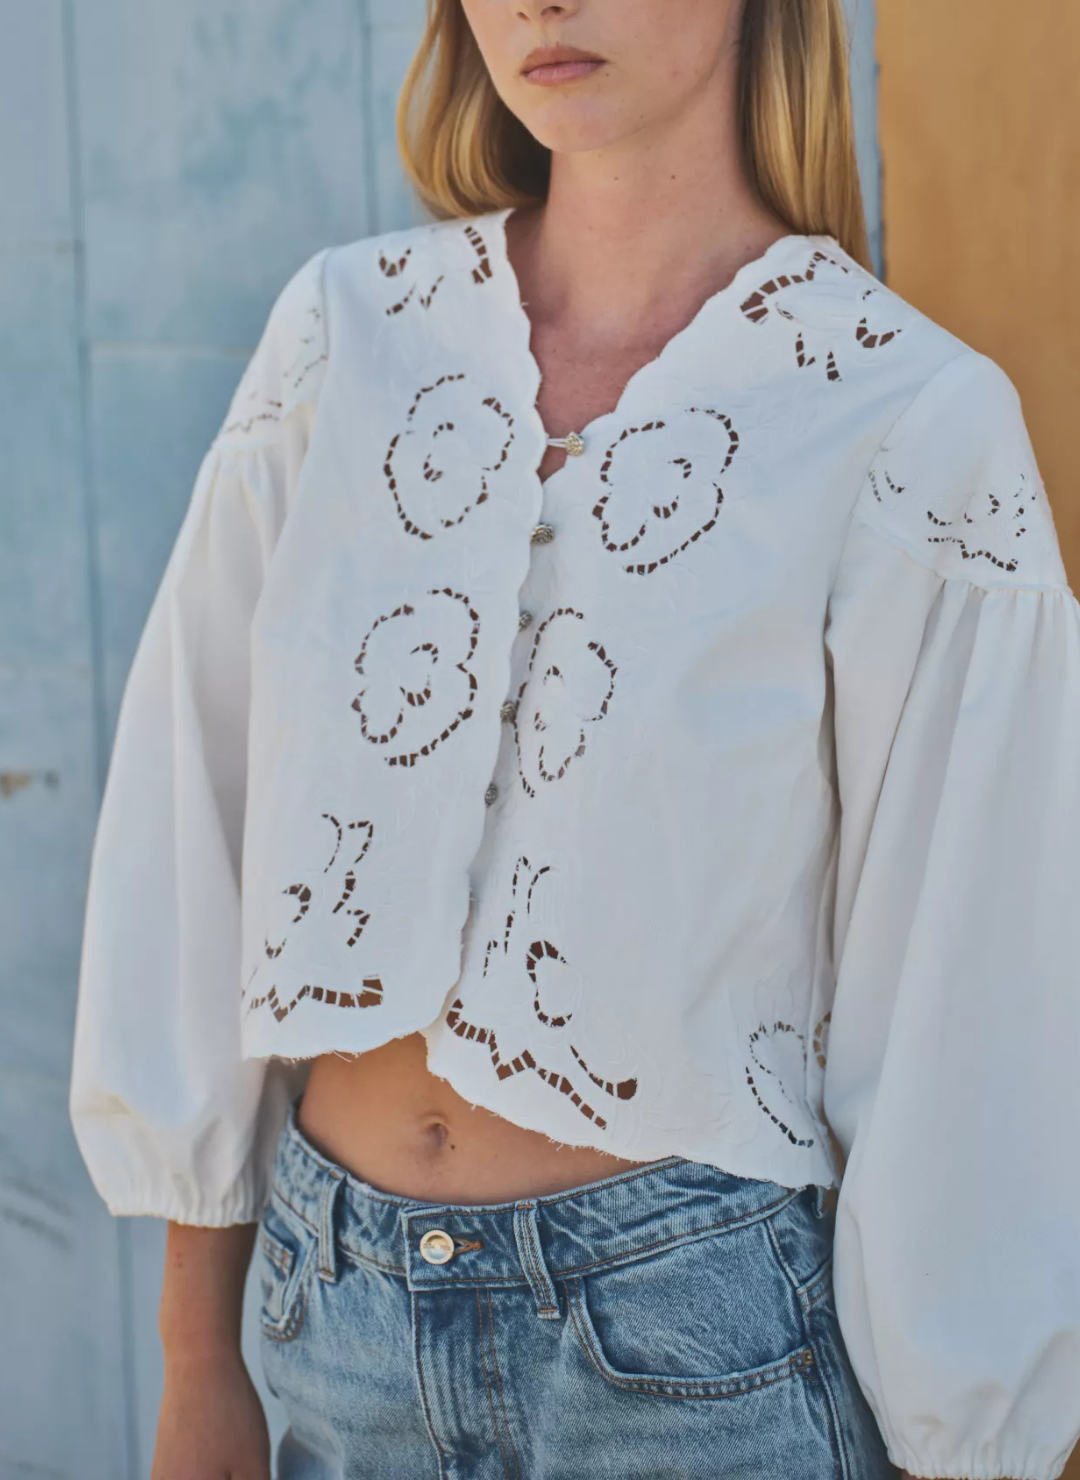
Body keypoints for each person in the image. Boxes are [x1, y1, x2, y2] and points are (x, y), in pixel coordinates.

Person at [69, 0, 1080, 1475]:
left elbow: (968, 992)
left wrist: (968, 1433)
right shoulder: (345, 339)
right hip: (331, 1322)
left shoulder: (906, 420)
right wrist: (190, 1360)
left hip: (705, 1351)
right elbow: (193, 822)